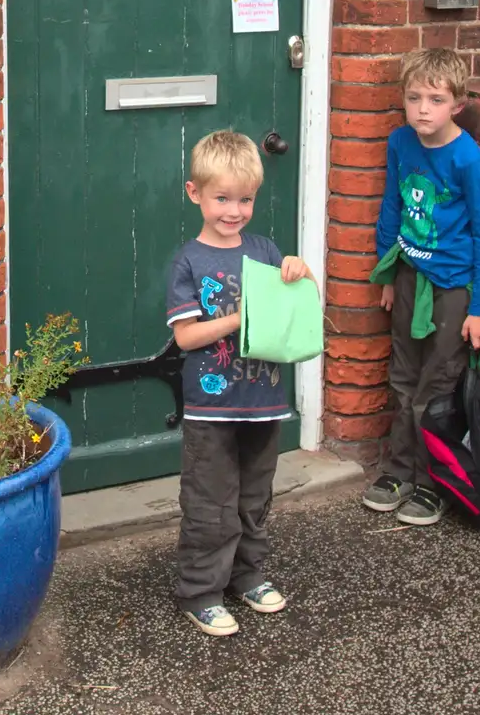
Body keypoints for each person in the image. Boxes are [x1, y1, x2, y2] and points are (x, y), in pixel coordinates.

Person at [166, 130, 316, 637]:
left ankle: (246, 576)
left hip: (263, 400)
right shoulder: (189, 261)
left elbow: (297, 307)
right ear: (195, 194)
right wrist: (236, 319)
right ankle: (201, 591)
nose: (234, 210)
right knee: (210, 500)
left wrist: (301, 270)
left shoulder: (266, 250)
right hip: (212, 406)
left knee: (255, 496)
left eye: (245, 199)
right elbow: (186, 337)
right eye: (222, 198)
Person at [364, 47, 480, 527]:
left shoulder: (471, 163)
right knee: (403, 378)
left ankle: (432, 482)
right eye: (414, 97)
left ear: (458, 104)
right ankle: (398, 470)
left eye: (436, 99)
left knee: (436, 386)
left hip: (453, 289)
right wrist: (388, 276)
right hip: (409, 275)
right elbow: (392, 210)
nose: (423, 109)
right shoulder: (401, 143)